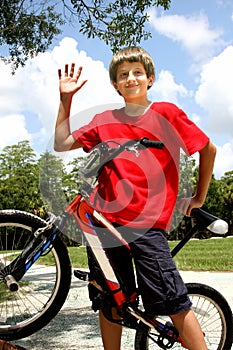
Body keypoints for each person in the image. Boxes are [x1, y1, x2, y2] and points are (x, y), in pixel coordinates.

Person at [54, 46, 216, 350]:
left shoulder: (165, 113)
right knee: (110, 300)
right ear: (115, 84)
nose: (130, 78)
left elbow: (208, 149)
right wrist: (66, 99)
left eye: (137, 73)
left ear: (150, 78)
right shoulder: (104, 119)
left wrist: (198, 197)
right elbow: (61, 143)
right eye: (123, 75)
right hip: (104, 224)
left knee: (173, 300)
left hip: (147, 225)